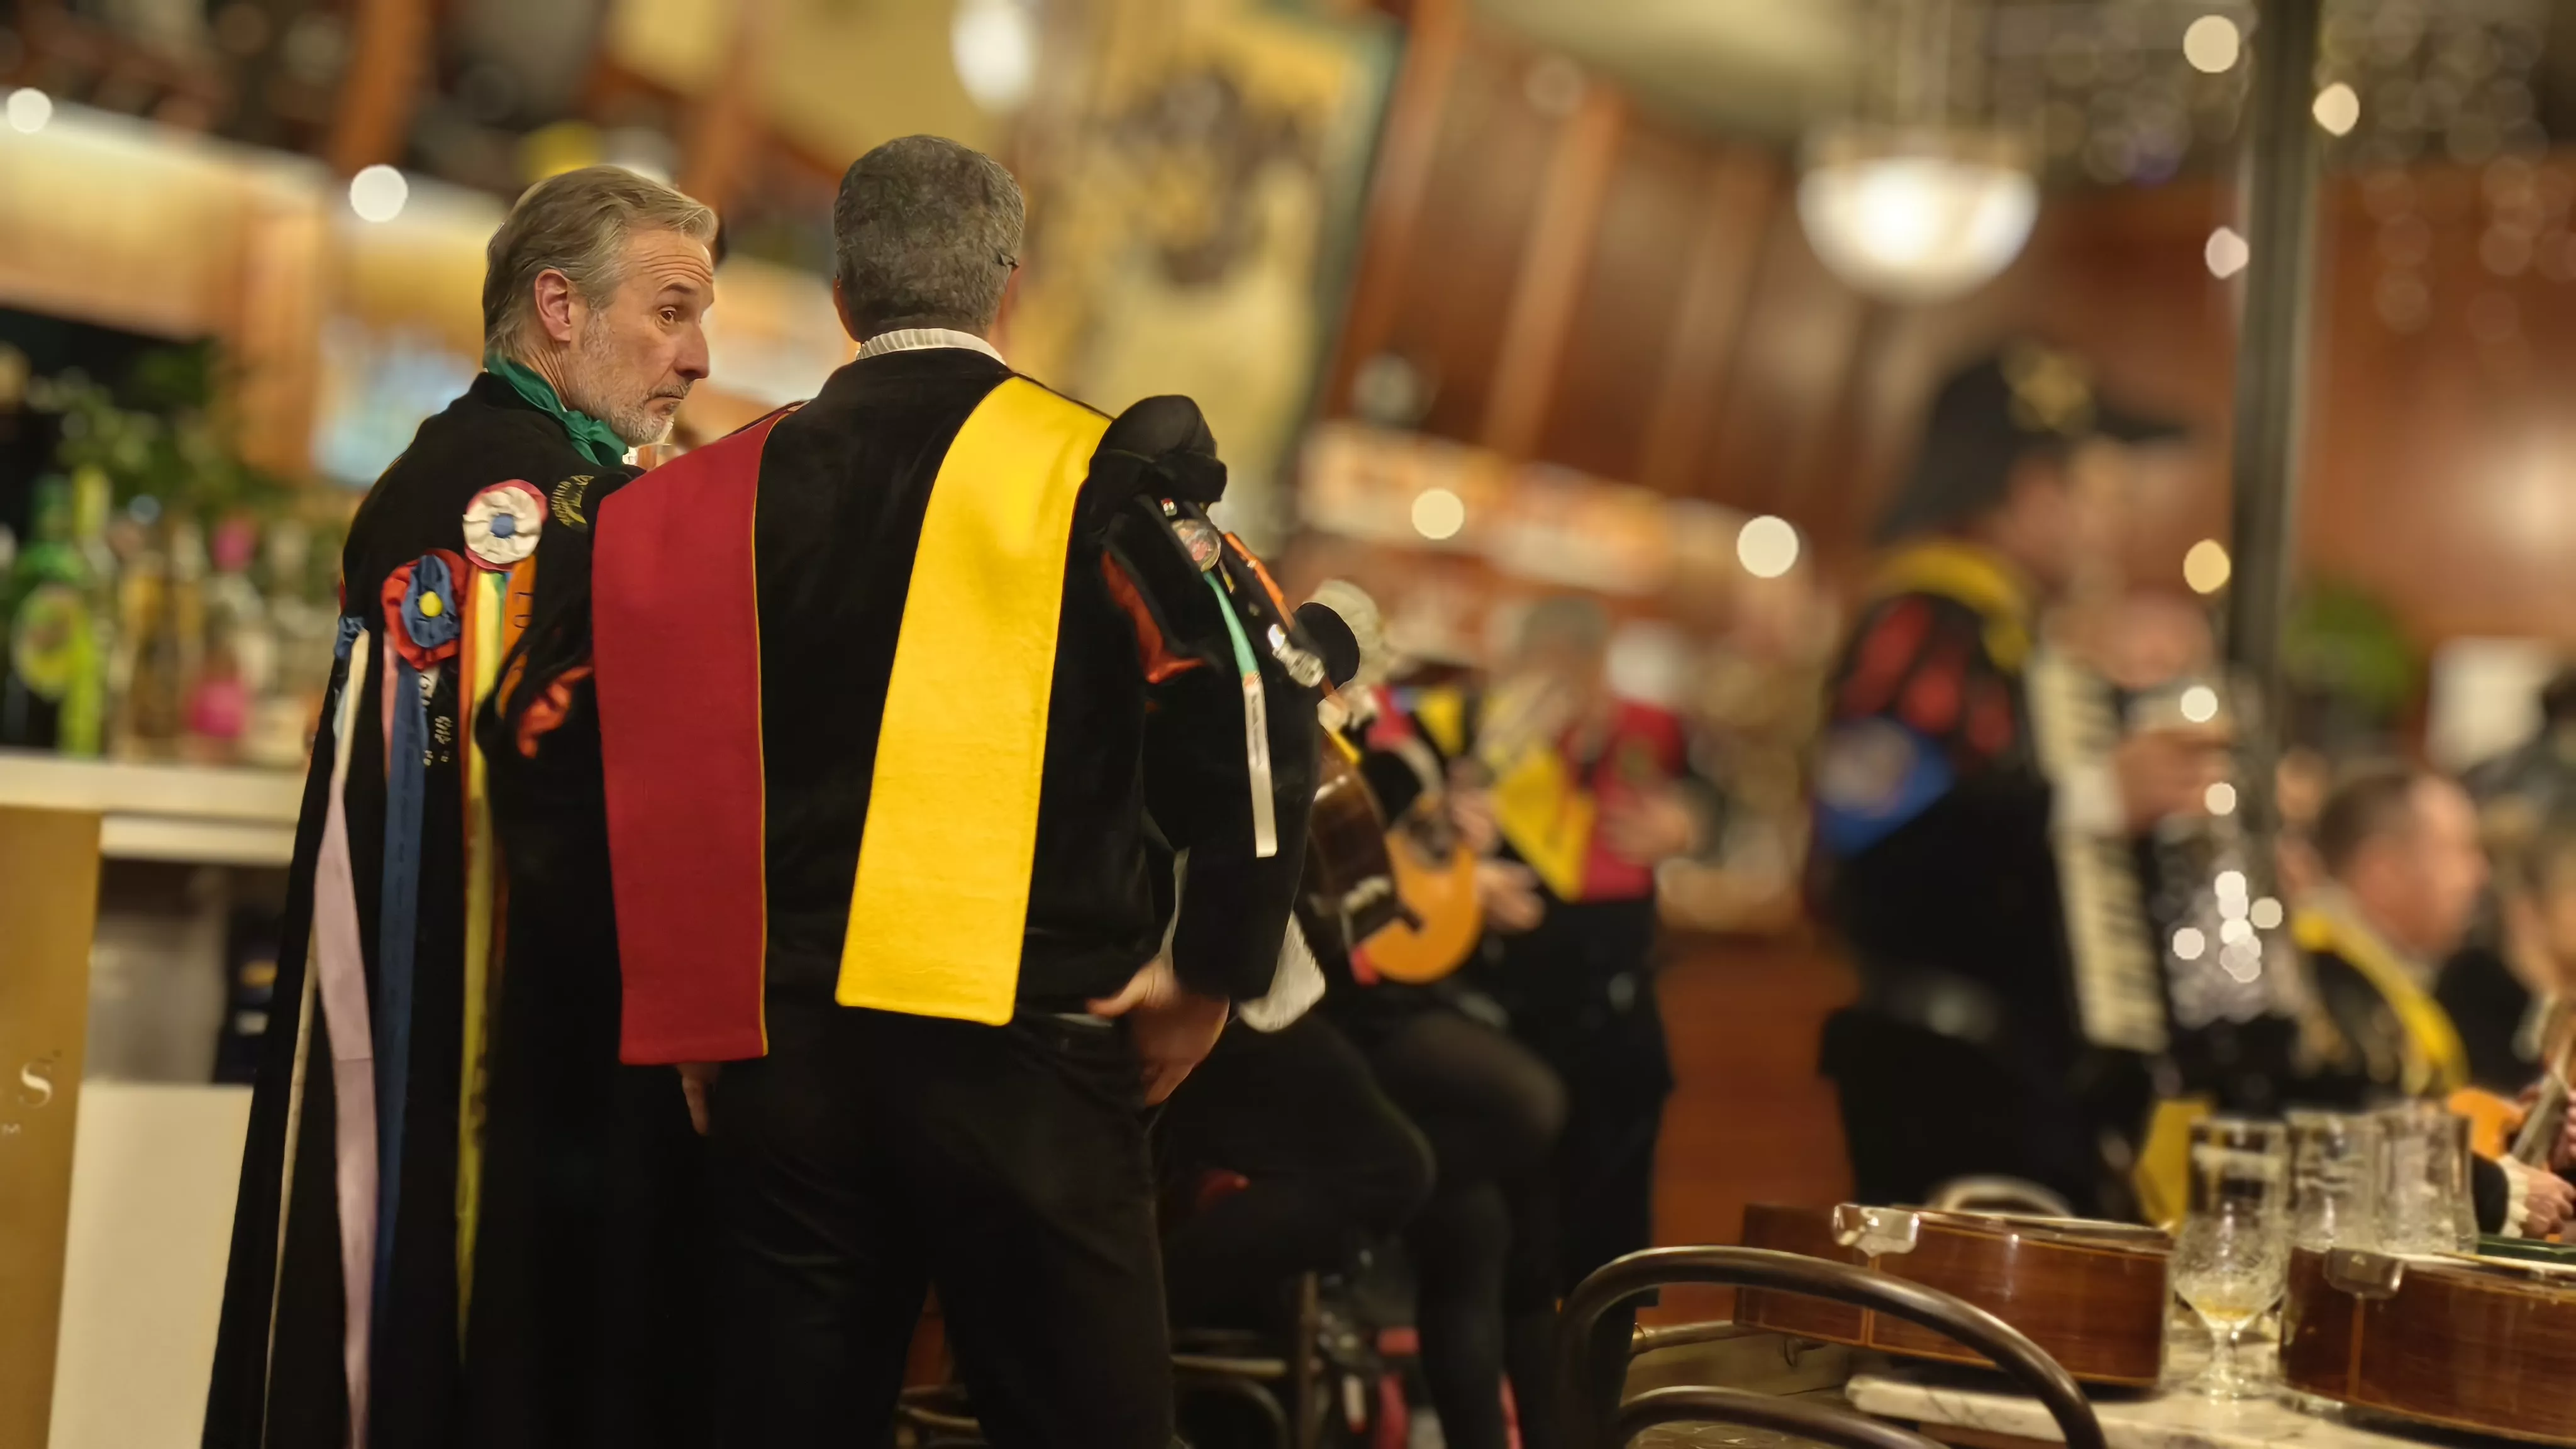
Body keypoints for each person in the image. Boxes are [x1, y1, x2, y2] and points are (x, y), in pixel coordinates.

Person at [572, 136, 1323, 1449]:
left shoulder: (705, 498)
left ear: (843, 299)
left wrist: (703, 1011)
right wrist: (1214, 967)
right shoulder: (1094, 475)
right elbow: (1258, 693)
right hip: (1021, 1052)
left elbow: (652, 760)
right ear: (1008, 289)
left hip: (780, 1049)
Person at [204, 167, 719, 1449]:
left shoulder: (428, 474)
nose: (697, 358)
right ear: (559, 306)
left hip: (400, 1007)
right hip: (508, 1026)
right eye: (669, 313)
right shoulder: (564, 511)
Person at [1811, 341, 2212, 1216]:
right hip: (1945, 1063)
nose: (2112, 529)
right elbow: (1870, 841)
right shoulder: (1924, 617)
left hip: (2007, 1065)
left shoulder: (2015, 635)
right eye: (2100, 497)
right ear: (2035, 491)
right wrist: (2097, 796)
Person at [2289, 766, 2576, 1237]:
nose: (2479, 876)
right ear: (2384, 872)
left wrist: (2529, 1139)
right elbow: (2341, 1144)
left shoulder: (2378, 983)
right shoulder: (2319, 976)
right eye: (2459, 852)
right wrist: (2496, 1190)